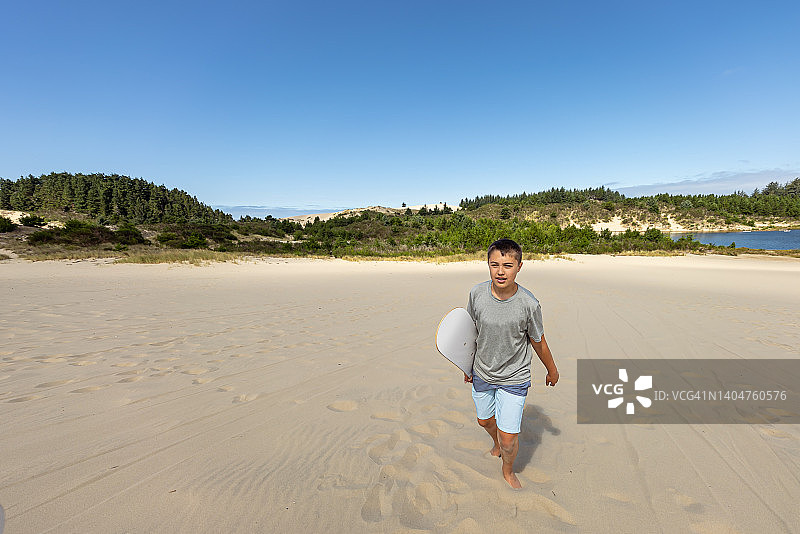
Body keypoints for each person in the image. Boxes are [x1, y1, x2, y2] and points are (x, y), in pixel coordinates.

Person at [465, 238, 559, 488]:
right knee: (485, 421)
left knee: (508, 440)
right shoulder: (476, 294)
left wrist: (552, 370)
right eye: (494, 265)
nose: (500, 272)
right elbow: (470, 331)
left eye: (507, 265)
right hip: (482, 371)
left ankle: (508, 471)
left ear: (519, 266)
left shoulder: (529, 304)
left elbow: (538, 341)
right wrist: (466, 365)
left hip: (514, 377)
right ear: (488, 264)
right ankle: (495, 442)